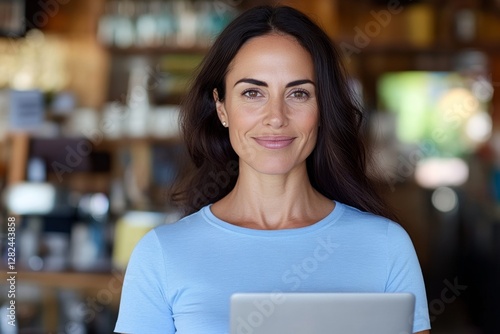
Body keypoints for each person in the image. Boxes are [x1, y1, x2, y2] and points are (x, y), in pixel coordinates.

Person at [115, 5, 431, 334]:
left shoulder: (386, 247)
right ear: (222, 107)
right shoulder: (162, 254)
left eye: (298, 93)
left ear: (323, 107)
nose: (276, 116)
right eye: (253, 93)